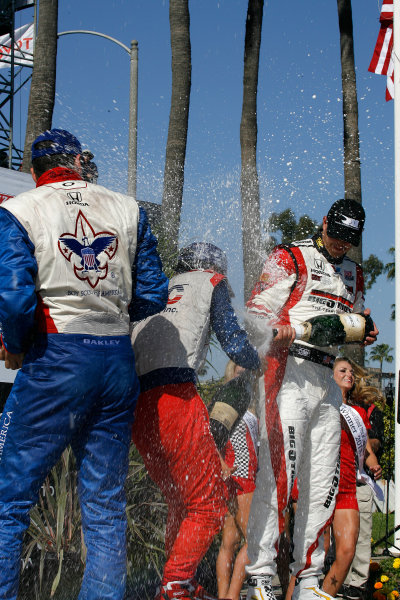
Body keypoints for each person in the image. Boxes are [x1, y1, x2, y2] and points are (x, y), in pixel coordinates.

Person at [0, 128, 168, 600]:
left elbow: (14, 302)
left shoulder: (19, 210)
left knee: (8, 500)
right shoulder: (128, 207)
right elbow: (153, 293)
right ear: (80, 163)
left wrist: (15, 342)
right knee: (105, 503)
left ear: (35, 171)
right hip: (116, 361)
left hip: (55, 357)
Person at [244, 198, 379, 600]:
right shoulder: (291, 255)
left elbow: (351, 322)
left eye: (348, 240)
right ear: (324, 223)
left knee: (322, 484)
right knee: (279, 475)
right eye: (336, 235)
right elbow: (255, 307)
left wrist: (365, 330)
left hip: (326, 379)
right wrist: (278, 326)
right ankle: (260, 576)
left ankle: (307, 579)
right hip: (288, 371)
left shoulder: (354, 273)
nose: (340, 244)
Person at [131, 242, 261, 600]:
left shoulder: (164, 286)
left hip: (139, 406)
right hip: (176, 399)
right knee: (209, 504)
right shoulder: (211, 281)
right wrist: (259, 358)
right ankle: (175, 583)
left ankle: (178, 581)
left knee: (182, 501)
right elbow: (234, 344)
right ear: (213, 266)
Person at [321, 358, 382, 598]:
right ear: (330, 375)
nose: (349, 375)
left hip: (348, 487)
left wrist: (373, 465)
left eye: (351, 372)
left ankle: (323, 595)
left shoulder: (356, 412)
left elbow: (365, 449)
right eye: (342, 371)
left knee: (347, 551)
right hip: (324, 486)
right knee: (320, 552)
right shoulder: (323, 405)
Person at [216, 360, 259, 600]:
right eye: (239, 366)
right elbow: (213, 433)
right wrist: (222, 463)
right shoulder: (227, 395)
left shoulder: (249, 401)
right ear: (231, 370)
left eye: (248, 367)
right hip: (239, 475)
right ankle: (231, 595)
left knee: (230, 543)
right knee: (253, 541)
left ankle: (225, 596)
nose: (244, 371)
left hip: (239, 476)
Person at [341, 371, 385, 600]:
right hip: (337, 482)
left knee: (361, 531)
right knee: (340, 535)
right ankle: (340, 577)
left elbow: (373, 441)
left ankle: (357, 582)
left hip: (359, 480)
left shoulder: (364, 412)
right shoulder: (328, 406)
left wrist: (370, 456)